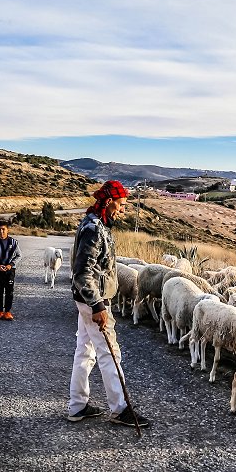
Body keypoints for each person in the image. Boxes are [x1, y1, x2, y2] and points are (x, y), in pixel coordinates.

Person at [67, 180, 149, 428]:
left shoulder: (96, 223)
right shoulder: (93, 228)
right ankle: (121, 409)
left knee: (86, 351)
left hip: (88, 300)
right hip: (94, 301)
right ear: (109, 201)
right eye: (121, 204)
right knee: (109, 352)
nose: (123, 210)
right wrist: (98, 306)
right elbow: (82, 272)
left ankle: (77, 405)